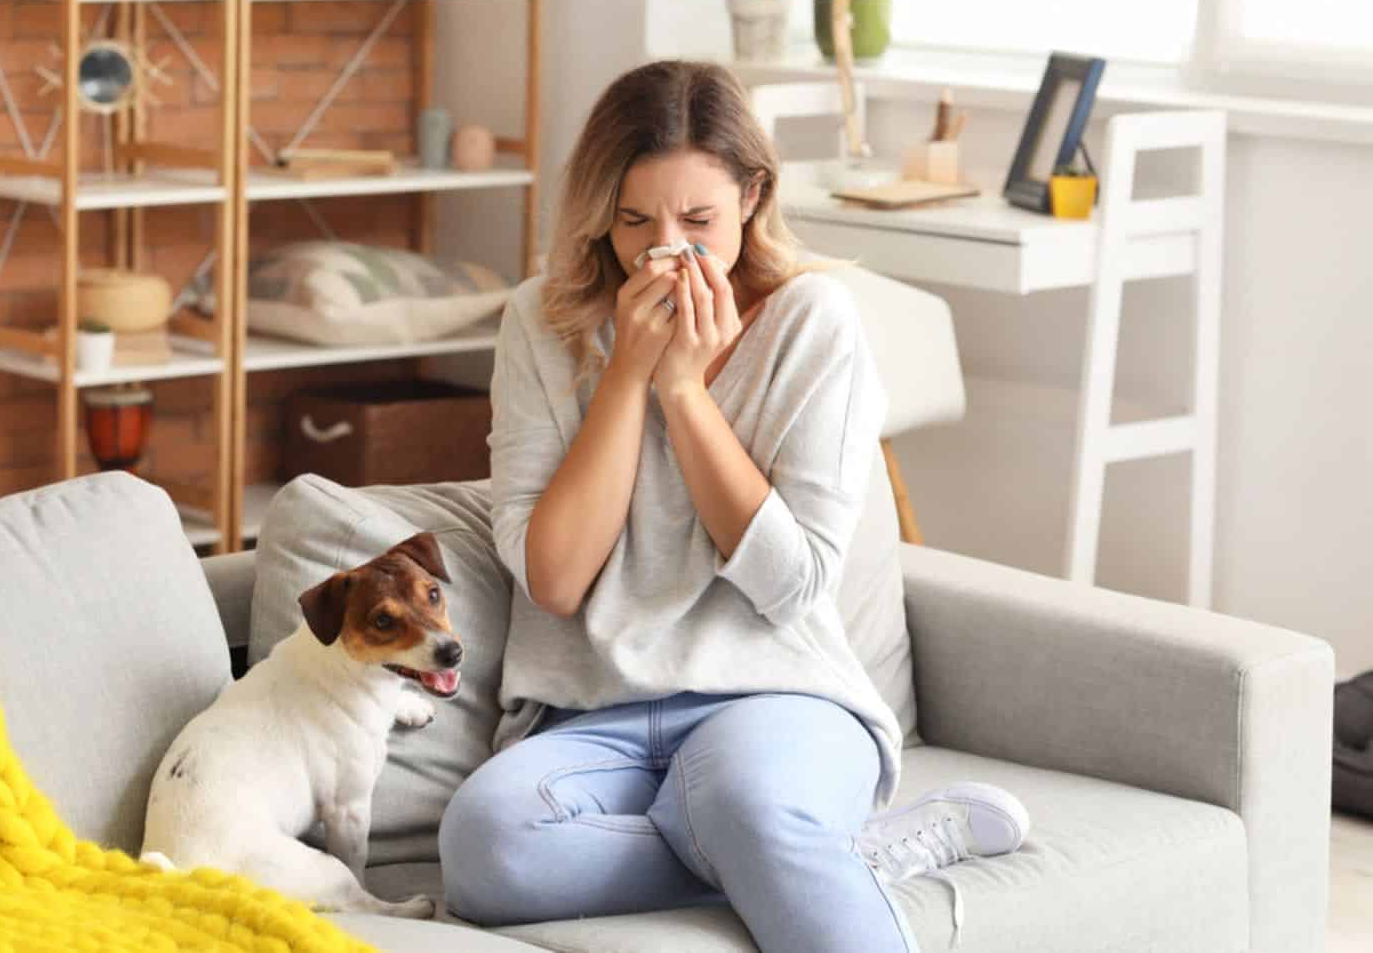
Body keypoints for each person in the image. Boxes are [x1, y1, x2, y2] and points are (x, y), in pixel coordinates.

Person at [438, 60, 1025, 953]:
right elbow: (553, 581)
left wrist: (685, 392)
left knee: (747, 801)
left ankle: (785, 841)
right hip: (585, 715)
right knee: (487, 847)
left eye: (698, 220)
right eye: (634, 221)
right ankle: (827, 854)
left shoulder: (812, 321)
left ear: (752, 196)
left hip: (774, 694)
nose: (664, 249)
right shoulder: (540, 324)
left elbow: (793, 586)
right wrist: (626, 377)